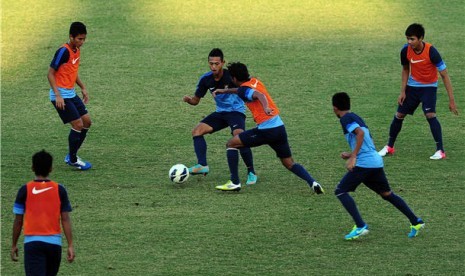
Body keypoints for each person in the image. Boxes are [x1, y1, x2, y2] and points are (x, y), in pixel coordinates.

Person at [212, 62, 324, 193]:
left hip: (266, 131)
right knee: (289, 163)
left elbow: (259, 95)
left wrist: (265, 107)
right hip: (279, 128)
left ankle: (235, 182)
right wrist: (225, 91)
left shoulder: (244, 90)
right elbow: (245, 90)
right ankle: (313, 182)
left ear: (235, 78)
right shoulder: (254, 81)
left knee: (231, 144)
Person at [332, 92, 424, 240]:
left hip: (364, 164)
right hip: (375, 161)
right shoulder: (355, 117)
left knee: (341, 191)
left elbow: (360, 134)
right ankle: (415, 221)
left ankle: (360, 226)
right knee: (387, 194)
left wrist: (353, 157)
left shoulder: (345, 119)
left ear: (335, 108)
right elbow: (365, 140)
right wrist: (350, 154)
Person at [378, 23, 458, 160]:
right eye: (407, 39)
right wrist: (402, 91)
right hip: (412, 87)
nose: (409, 42)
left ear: (421, 38)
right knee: (399, 114)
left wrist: (451, 100)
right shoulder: (405, 50)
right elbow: (405, 69)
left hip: (429, 87)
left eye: (412, 39)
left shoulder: (431, 51)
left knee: (430, 115)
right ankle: (389, 147)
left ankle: (440, 151)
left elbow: (444, 75)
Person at [183, 48, 257, 185]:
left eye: (217, 63)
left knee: (239, 137)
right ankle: (202, 165)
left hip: (236, 112)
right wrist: (189, 100)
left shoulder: (232, 77)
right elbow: (196, 100)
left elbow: (247, 88)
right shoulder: (206, 79)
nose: (214, 66)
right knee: (197, 131)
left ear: (223, 62)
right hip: (221, 113)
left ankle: (251, 171)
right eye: (211, 63)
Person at [11, 150, 75, 275]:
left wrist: (14, 244)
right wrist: (70, 245)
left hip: (32, 243)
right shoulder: (59, 189)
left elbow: (18, 221)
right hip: (54, 245)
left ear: (32, 168)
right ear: (51, 169)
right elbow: (65, 219)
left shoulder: (25, 190)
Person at [48, 21, 92, 170]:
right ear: (71, 37)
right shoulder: (63, 51)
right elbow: (50, 74)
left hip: (71, 94)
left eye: (84, 39)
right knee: (78, 124)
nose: (82, 42)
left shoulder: (76, 50)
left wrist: (83, 87)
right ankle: (73, 159)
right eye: (79, 39)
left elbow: (72, 71)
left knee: (87, 122)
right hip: (61, 95)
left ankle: (72, 154)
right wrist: (58, 95)